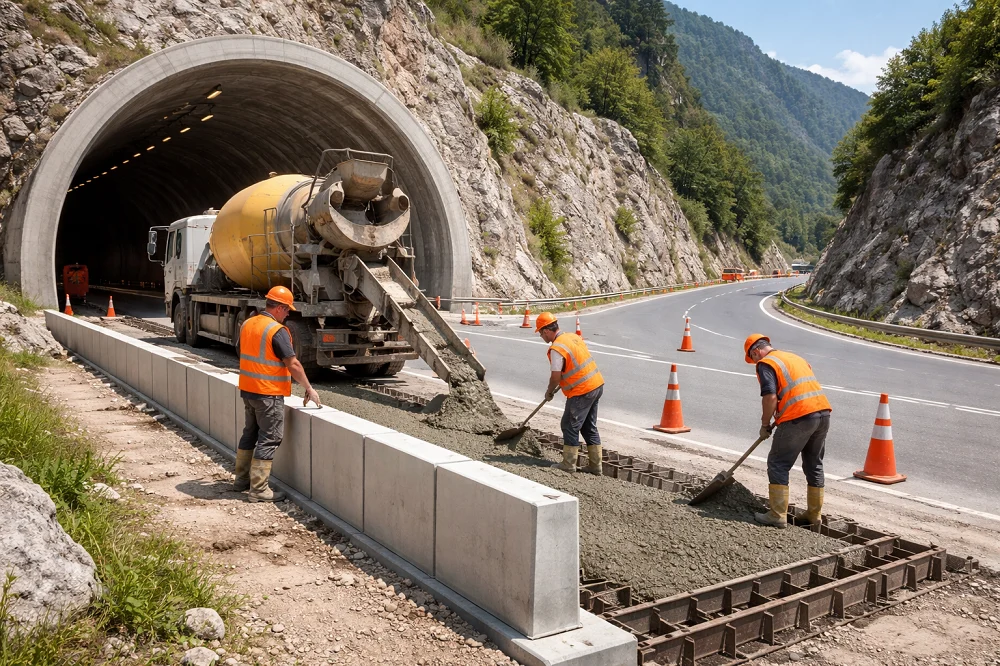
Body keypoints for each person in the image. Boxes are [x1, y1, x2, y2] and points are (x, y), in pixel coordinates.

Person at [234, 286, 321, 502]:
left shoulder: (248, 323)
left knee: (250, 433)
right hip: (268, 394)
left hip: (248, 389)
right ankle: (259, 490)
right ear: (280, 308)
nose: (288, 314)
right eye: (287, 310)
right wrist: (309, 388)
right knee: (270, 438)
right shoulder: (277, 331)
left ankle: (241, 481)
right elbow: (293, 364)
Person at [744, 334, 832, 528]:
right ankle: (814, 515)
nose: (755, 363)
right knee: (814, 464)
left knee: (778, 462)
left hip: (798, 417)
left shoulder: (766, 363)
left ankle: (777, 515)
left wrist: (765, 424)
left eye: (753, 358)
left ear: (756, 352)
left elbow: (770, 397)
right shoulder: (794, 357)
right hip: (822, 413)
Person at [535, 312, 604, 474]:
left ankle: (569, 464)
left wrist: (549, 392)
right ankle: (596, 466)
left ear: (546, 331)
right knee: (588, 427)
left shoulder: (557, 348)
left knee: (569, 425)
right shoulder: (572, 337)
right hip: (596, 384)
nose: (541, 336)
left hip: (582, 391)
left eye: (540, 332)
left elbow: (555, 376)